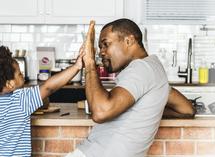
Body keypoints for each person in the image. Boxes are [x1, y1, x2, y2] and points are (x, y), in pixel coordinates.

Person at [66, 19, 195, 157]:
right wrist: (145, 110)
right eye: (100, 47)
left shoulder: (140, 68)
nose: (101, 52)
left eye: (106, 44)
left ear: (129, 41)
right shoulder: (153, 68)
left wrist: (90, 63)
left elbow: (100, 112)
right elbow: (187, 109)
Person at [0, 46, 84, 156]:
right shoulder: (21, 99)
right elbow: (48, 87)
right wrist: (76, 66)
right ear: (10, 84)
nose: (23, 74)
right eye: (19, 73)